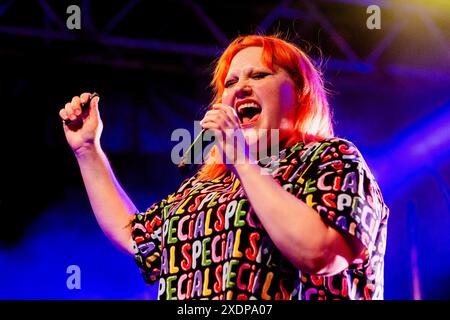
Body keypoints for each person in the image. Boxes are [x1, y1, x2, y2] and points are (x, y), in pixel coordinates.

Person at [59, 34, 389, 300]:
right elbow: (135, 238)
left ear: (300, 93)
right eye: (230, 83)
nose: (241, 87)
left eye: (260, 75)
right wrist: (88, 150)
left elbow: (321, 255)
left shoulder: (329, 159)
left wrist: (243, 161)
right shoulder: (206, 188)